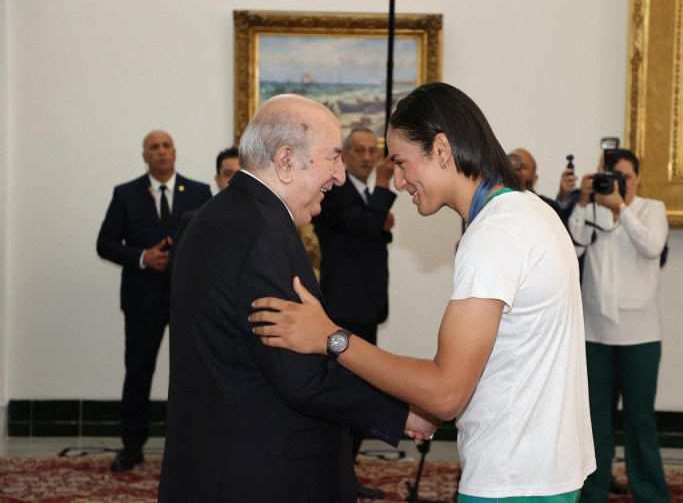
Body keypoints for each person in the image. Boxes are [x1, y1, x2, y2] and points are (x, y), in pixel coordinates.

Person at [251, 82, 595, 502]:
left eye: (401, 162)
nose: (397, 181)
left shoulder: (496, 234)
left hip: (512, 477)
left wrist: (332, 337)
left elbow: (447, 393)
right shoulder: (530, 210)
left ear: (442, 149)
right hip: (547, 468)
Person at [158, 94, 435, 503]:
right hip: (263, 474)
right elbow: (302, 377)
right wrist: (400, 411)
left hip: (212, 462)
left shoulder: (213, 217)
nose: (339, 176)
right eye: (333, 157)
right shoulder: (267, 236)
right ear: (286, 161)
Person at [96, 130, 212, 472]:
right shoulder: (125, 193)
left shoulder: (199, 192)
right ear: (145, 156)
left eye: (166, 146)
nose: (161, 152)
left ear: (175, 152)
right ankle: (132, 447)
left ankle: (195, 446)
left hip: (187, 300)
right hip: (142, 299)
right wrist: (143, 257)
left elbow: (208, 242)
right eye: (153, 148)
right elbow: (105, 244)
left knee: (194, 374)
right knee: (138, 373)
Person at [567, 149, 671, 503]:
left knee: (640, 421)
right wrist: (583, 201)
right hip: (595, 333)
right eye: (611, 177)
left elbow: (652, 246)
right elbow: (573, 248)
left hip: (641, 334)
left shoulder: (651, 209)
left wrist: (621, 209)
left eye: (625, 178)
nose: (618, 184)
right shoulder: (591, 209)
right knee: (595, 421)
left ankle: (651, 495)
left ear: (638, 177)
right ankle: (592, 493)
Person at [312, 127, 396, 500]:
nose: (368, 156)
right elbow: (360, 226)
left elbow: (366, 234)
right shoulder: (335, 189)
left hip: (366, 306)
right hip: (343, 308)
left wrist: (382, 222)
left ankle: (346, 474)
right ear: (343, 156)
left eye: (372, 150)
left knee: (363, 389)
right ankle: (335, 476)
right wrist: (383, 188)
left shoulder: (364, 195)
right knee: (346, 391)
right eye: (359, 150)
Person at [508, 147, 563, 219]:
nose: (515, 170)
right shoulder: (493, 201)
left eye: (522, 166)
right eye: (511, 165)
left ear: (534, 178)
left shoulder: (549, 207)